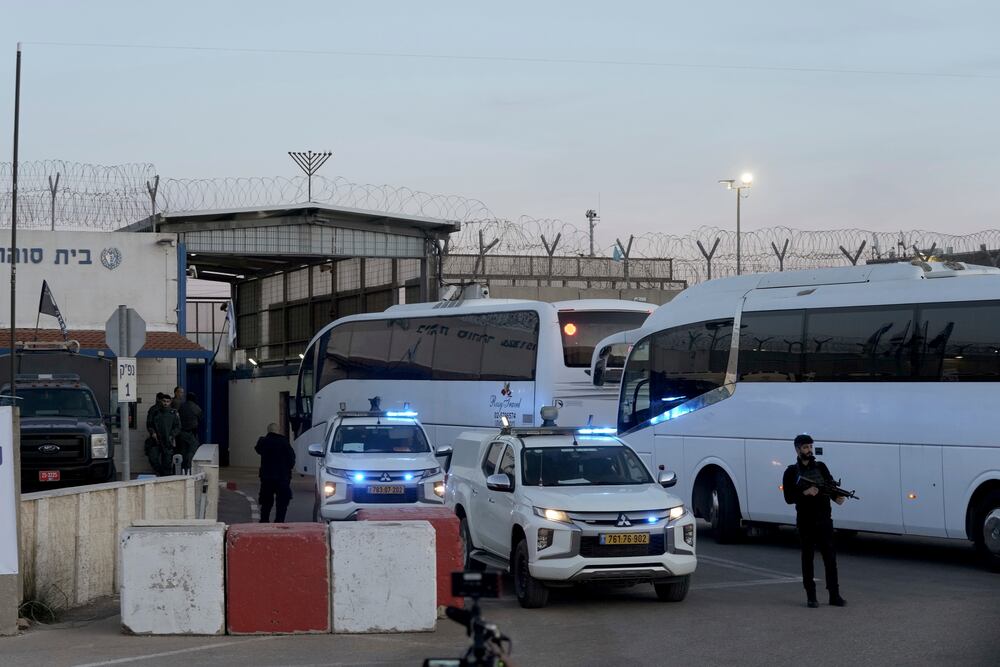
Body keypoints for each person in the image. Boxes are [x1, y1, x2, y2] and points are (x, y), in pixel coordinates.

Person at [783, 434, 847, 608]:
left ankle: (834, 595)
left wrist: (837, 497)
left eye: (810, 447)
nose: (809, 450)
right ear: (797, 449)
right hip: (806, 521)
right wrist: (804, 493)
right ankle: (811, 596)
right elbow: (788, 497)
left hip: (824, 519)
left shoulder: (821, 467)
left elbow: (829, 487)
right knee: (808, 558)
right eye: (805, 447)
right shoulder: (791, 471)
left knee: (830, 558)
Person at [255, 423, 296, 523]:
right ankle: (279, 520)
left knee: (266, 501)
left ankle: (264, 520)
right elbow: (292, 459)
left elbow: (257, 449)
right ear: (278, 430)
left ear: (268, 431)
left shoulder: (263, 441)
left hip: (266, 477)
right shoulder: (284, 442)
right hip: (282, 477)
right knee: (282, 501)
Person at [177, 391, 202, 471]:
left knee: (183, 450)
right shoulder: (195, 407)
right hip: (191, 432)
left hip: (181, 432)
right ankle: (189, 468)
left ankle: (182, 469)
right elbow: (201, 417)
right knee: (192, 450)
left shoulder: (181, 406)